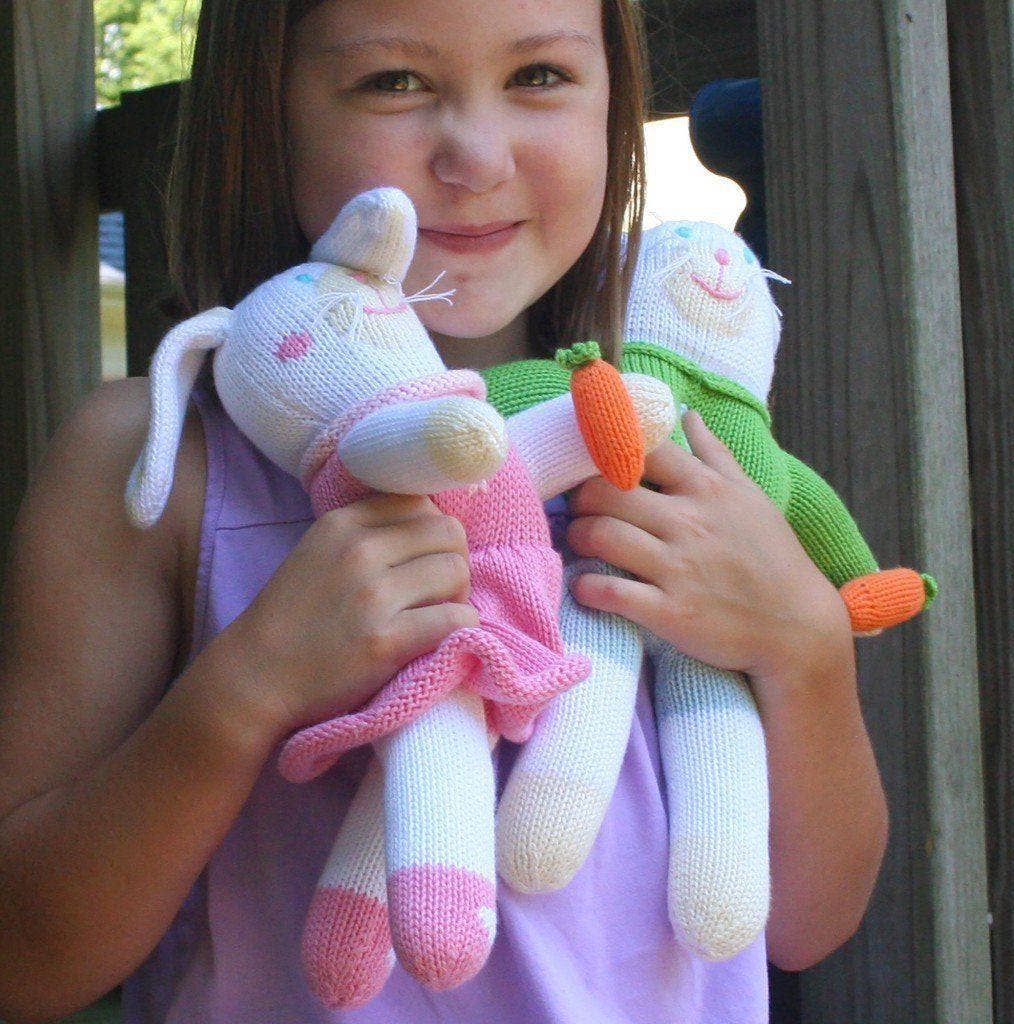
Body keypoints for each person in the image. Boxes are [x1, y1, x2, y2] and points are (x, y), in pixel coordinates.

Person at [0, 1, 889, 1021]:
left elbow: (809, 920)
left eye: (541, 77)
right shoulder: (156, 460)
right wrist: (245, 690)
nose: (475, 155)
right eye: (394, 82)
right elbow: (23, 959)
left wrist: (806, 652)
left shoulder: (685, 448)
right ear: (263, 113)